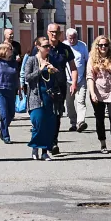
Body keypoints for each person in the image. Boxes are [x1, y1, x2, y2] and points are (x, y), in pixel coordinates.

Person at [20, 37, 61, 160]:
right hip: (35, 97)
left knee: (48, 125)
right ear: (38, 47)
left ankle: (44, 152)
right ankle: (35, 147)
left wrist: (54, 71)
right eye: (45, 46)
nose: (48, 48)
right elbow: (27, 78)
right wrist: (40, 69)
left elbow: (59, 76)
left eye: (49, 46)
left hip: (49, 96)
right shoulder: (31, 60)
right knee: (38, 123)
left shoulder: (51, 59)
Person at [87, 35, 111, 154]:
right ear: (97, 46)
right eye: (101, 45)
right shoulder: (92, 59)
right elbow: (90, 77)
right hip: (98, 92)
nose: (103, 47)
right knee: (100, 119)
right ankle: (103, 143)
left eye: (106, 45)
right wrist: (92, 93)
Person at [42, 23, 75, 156]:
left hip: (60, 87)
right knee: (45, 115)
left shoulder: (65, 49)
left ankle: (54, 141)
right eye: (52, 32)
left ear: (60, 34)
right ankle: (47, 141)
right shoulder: (42, 48)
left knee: (57, 115)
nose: (54, 34)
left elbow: (73, 67)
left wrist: (73, 83)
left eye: (56, 32)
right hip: (44, 87)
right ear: (48, 32)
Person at [64, 27, 90, 132]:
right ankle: (73, 122)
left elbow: (87, 61)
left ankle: (80, 122)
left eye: (74, 38)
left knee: (81, 101)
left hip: (81, 79)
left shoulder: (82, 46)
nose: (72, 40)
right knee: (69, 103)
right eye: (70, 38)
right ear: (67, 37)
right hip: (67, 80)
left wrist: (87, 75)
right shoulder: (64, 46)